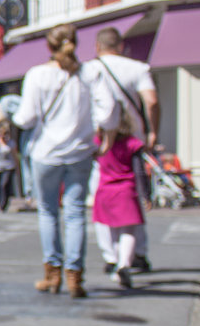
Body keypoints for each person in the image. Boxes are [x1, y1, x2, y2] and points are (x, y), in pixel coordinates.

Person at [13, 24, 116, 299]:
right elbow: (109, 112)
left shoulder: (37, 75)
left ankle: (52, 274)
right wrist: (103, 137)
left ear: (50, 46)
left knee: (48, 212)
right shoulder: (91, 73)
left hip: (45, 153)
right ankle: (75, 278)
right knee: (74, 214)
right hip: (80, 152)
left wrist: (9, 116)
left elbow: (25, 118)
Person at [82, 27, 161, 274]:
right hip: (131, 140)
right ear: (121, 45)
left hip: (101, 142)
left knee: (101, 198)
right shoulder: (137, 68)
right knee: (133, 197)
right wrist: (152, 131)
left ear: (97, 46)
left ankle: (111, 255)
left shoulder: (87, 70)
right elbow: (152, 101)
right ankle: (137, 253)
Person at [93, 112, 147, 289]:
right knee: (129, 232)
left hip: (104, 191)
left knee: (112, 231)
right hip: (126, 191)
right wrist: (146, 193)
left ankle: (115, 262)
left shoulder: (99, 142)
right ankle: (124, 264)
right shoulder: (132, 143)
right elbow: (140, 171)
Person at [0, 122, 18, 212]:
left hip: (8, 167)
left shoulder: (11, 143)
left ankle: (3, 204)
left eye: (6, 134)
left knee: (4, 184)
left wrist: (17, 168)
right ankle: (0, 200)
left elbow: (15, 155)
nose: (4, 136)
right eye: (2, 134)